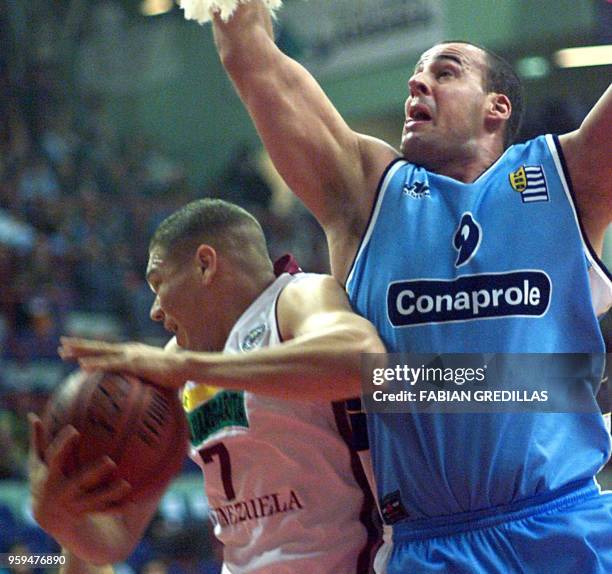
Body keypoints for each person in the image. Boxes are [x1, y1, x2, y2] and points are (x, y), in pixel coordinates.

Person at [177, 2, 612, 572]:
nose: (418, 80)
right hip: (427, 543)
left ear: (497, 107)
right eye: (417, 72)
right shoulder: (366, 194)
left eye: (445, 71)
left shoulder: (565, 176)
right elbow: (254, 62)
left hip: (565, 522)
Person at [32, 198, 387, 574]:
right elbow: (115, 539)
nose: (154, 310)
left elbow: (362, 360)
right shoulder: (177, 363)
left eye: (158, 283)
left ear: (205, 264)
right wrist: (61, 519)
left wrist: (191, 366)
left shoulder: (294, 299)